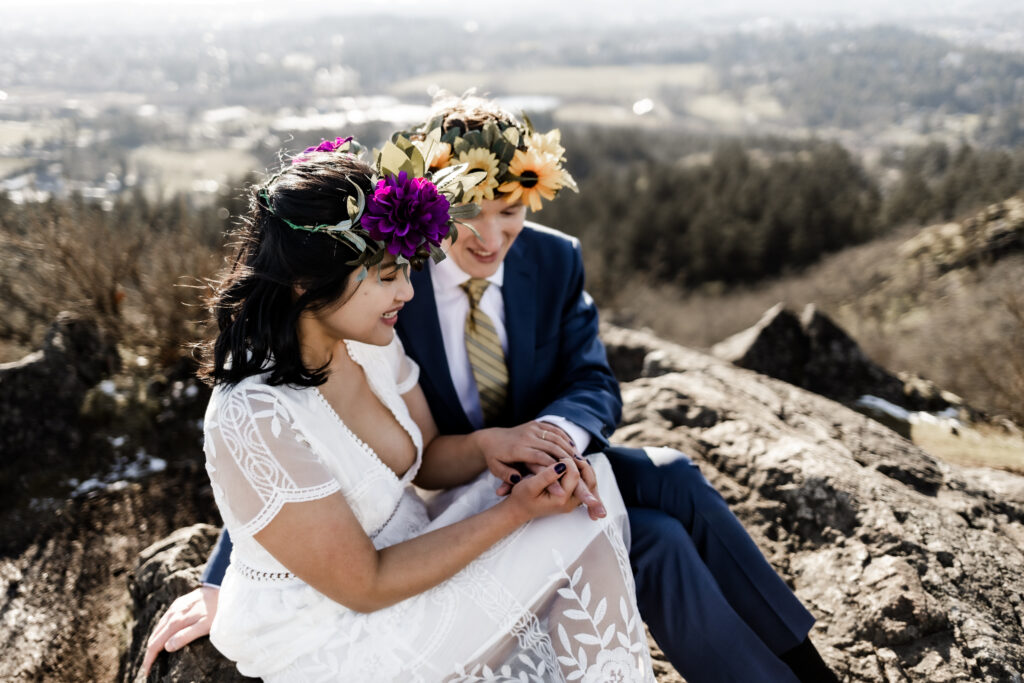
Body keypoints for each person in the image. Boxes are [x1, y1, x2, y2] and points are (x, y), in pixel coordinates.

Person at [145, 99, 839, 683]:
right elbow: (283, 485)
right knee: (637, 529)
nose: (489, 233)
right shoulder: (372, 309)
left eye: (509, 208)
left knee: (671, 484)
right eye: (468, 211)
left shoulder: (539, 262)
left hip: (487, 471)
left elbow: (589, 379)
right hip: (417, 547)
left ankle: (802, 671)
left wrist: (528, 442)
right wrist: (221, 580)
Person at [169, 135, 655, 681]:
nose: (408, 292)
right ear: (307, 283)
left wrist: (492, 444)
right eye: (387, 276)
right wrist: (514, 511)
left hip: (413, 550)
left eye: (406, 270)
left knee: (586, 488)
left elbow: (427, 459)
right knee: (560, 526)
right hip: (336, 628)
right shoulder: (253, 415)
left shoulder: (369, 345)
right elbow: (364, 584)